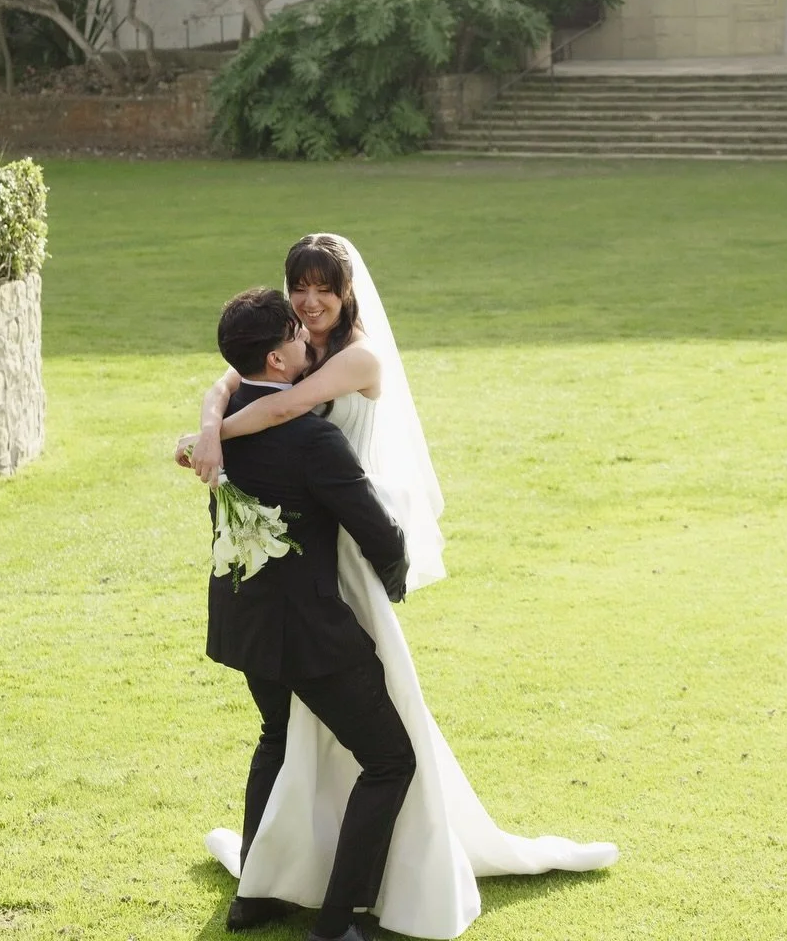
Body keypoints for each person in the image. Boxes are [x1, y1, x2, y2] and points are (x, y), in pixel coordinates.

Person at [181, 235, 618, 940]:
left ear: (349, 292)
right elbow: (240, 386)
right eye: (299, 288)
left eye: (324, 287)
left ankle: (273, 886)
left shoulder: (351, 358)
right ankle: (325, 906)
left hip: (291, 581)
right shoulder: (286, 362)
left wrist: (210, 440)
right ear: (280, 332)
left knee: (293, 733)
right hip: (323, 578)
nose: (309, 302)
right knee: (361, 747)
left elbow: (278, 405)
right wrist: (208, 428)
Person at [204, 287, 417, 941]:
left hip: (245, 624)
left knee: (276, 736)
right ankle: (341, 922)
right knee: (390, 762)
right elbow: (373, 528)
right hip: (311, 634)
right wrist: (395, 569)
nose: (308, 342)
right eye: (297, 334)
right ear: (275, 358)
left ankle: (254, 896)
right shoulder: (310, 439)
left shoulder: (225, 420)